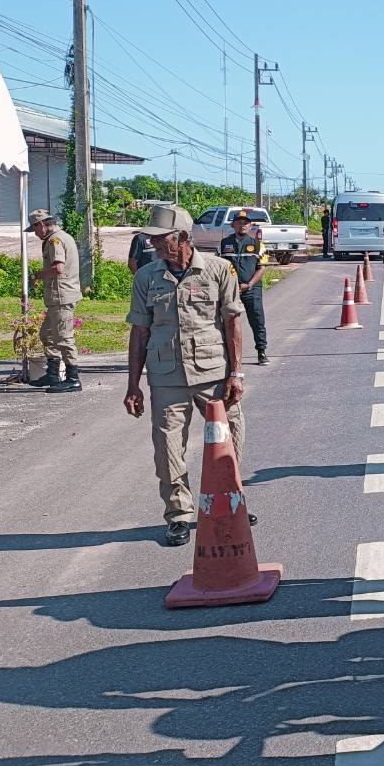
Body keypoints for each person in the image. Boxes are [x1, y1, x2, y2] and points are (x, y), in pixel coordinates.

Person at [122, 203, 249, 547]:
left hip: (214, 373)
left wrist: (236, 373)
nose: (152, 244)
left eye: (160, 238)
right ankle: (179, 514)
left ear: (181, 237)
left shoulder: (218, 269)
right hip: (166, 375)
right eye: (151, 238)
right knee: (167, 448)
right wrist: (133, 384)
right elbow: (139, 331)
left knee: (228, 439)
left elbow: (232, 322)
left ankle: (230, 502)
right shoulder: (146, 277)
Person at [26, 209, 82, 393]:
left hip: (61, 296)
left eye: (35, 229)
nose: (35, 234)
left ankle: (73, 378)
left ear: (41, 224)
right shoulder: (62, 236)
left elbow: (58, 268)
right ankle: (52, 374)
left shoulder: (54, 240)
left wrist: (37, 275)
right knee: (47, 334)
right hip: (59, 296)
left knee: (64, 337)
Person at [220, 213, 269, 365]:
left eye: (245, 223)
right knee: (228, 321)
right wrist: (229, 285)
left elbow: (261, 268)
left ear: (250, 226)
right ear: (233, 225)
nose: (242, 225)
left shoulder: (258, 245)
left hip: (251, 289)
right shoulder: (223, 244)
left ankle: (261, 352)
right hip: (230, 289)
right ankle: (227, 355)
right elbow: (219, 267)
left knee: (257, 320)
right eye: (239, 222)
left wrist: (249, 284)